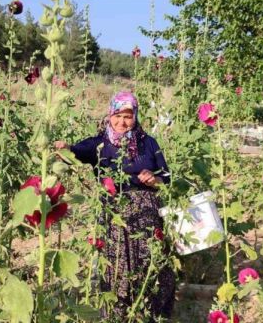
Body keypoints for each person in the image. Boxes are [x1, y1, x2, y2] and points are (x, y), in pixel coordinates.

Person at [55, 91, 176, 319]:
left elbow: (167, 177)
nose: (122, 122)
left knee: (150, 266)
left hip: (146, 214)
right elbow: (75, 152)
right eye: (117, 115)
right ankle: (116, 316)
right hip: (114, 213)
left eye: (128, 116)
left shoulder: (148, 143)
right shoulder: (99, 144)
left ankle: (147, 315)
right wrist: (65, 148)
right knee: (116, 269)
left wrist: (155, 179)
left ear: (136, 117)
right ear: (110, 114)